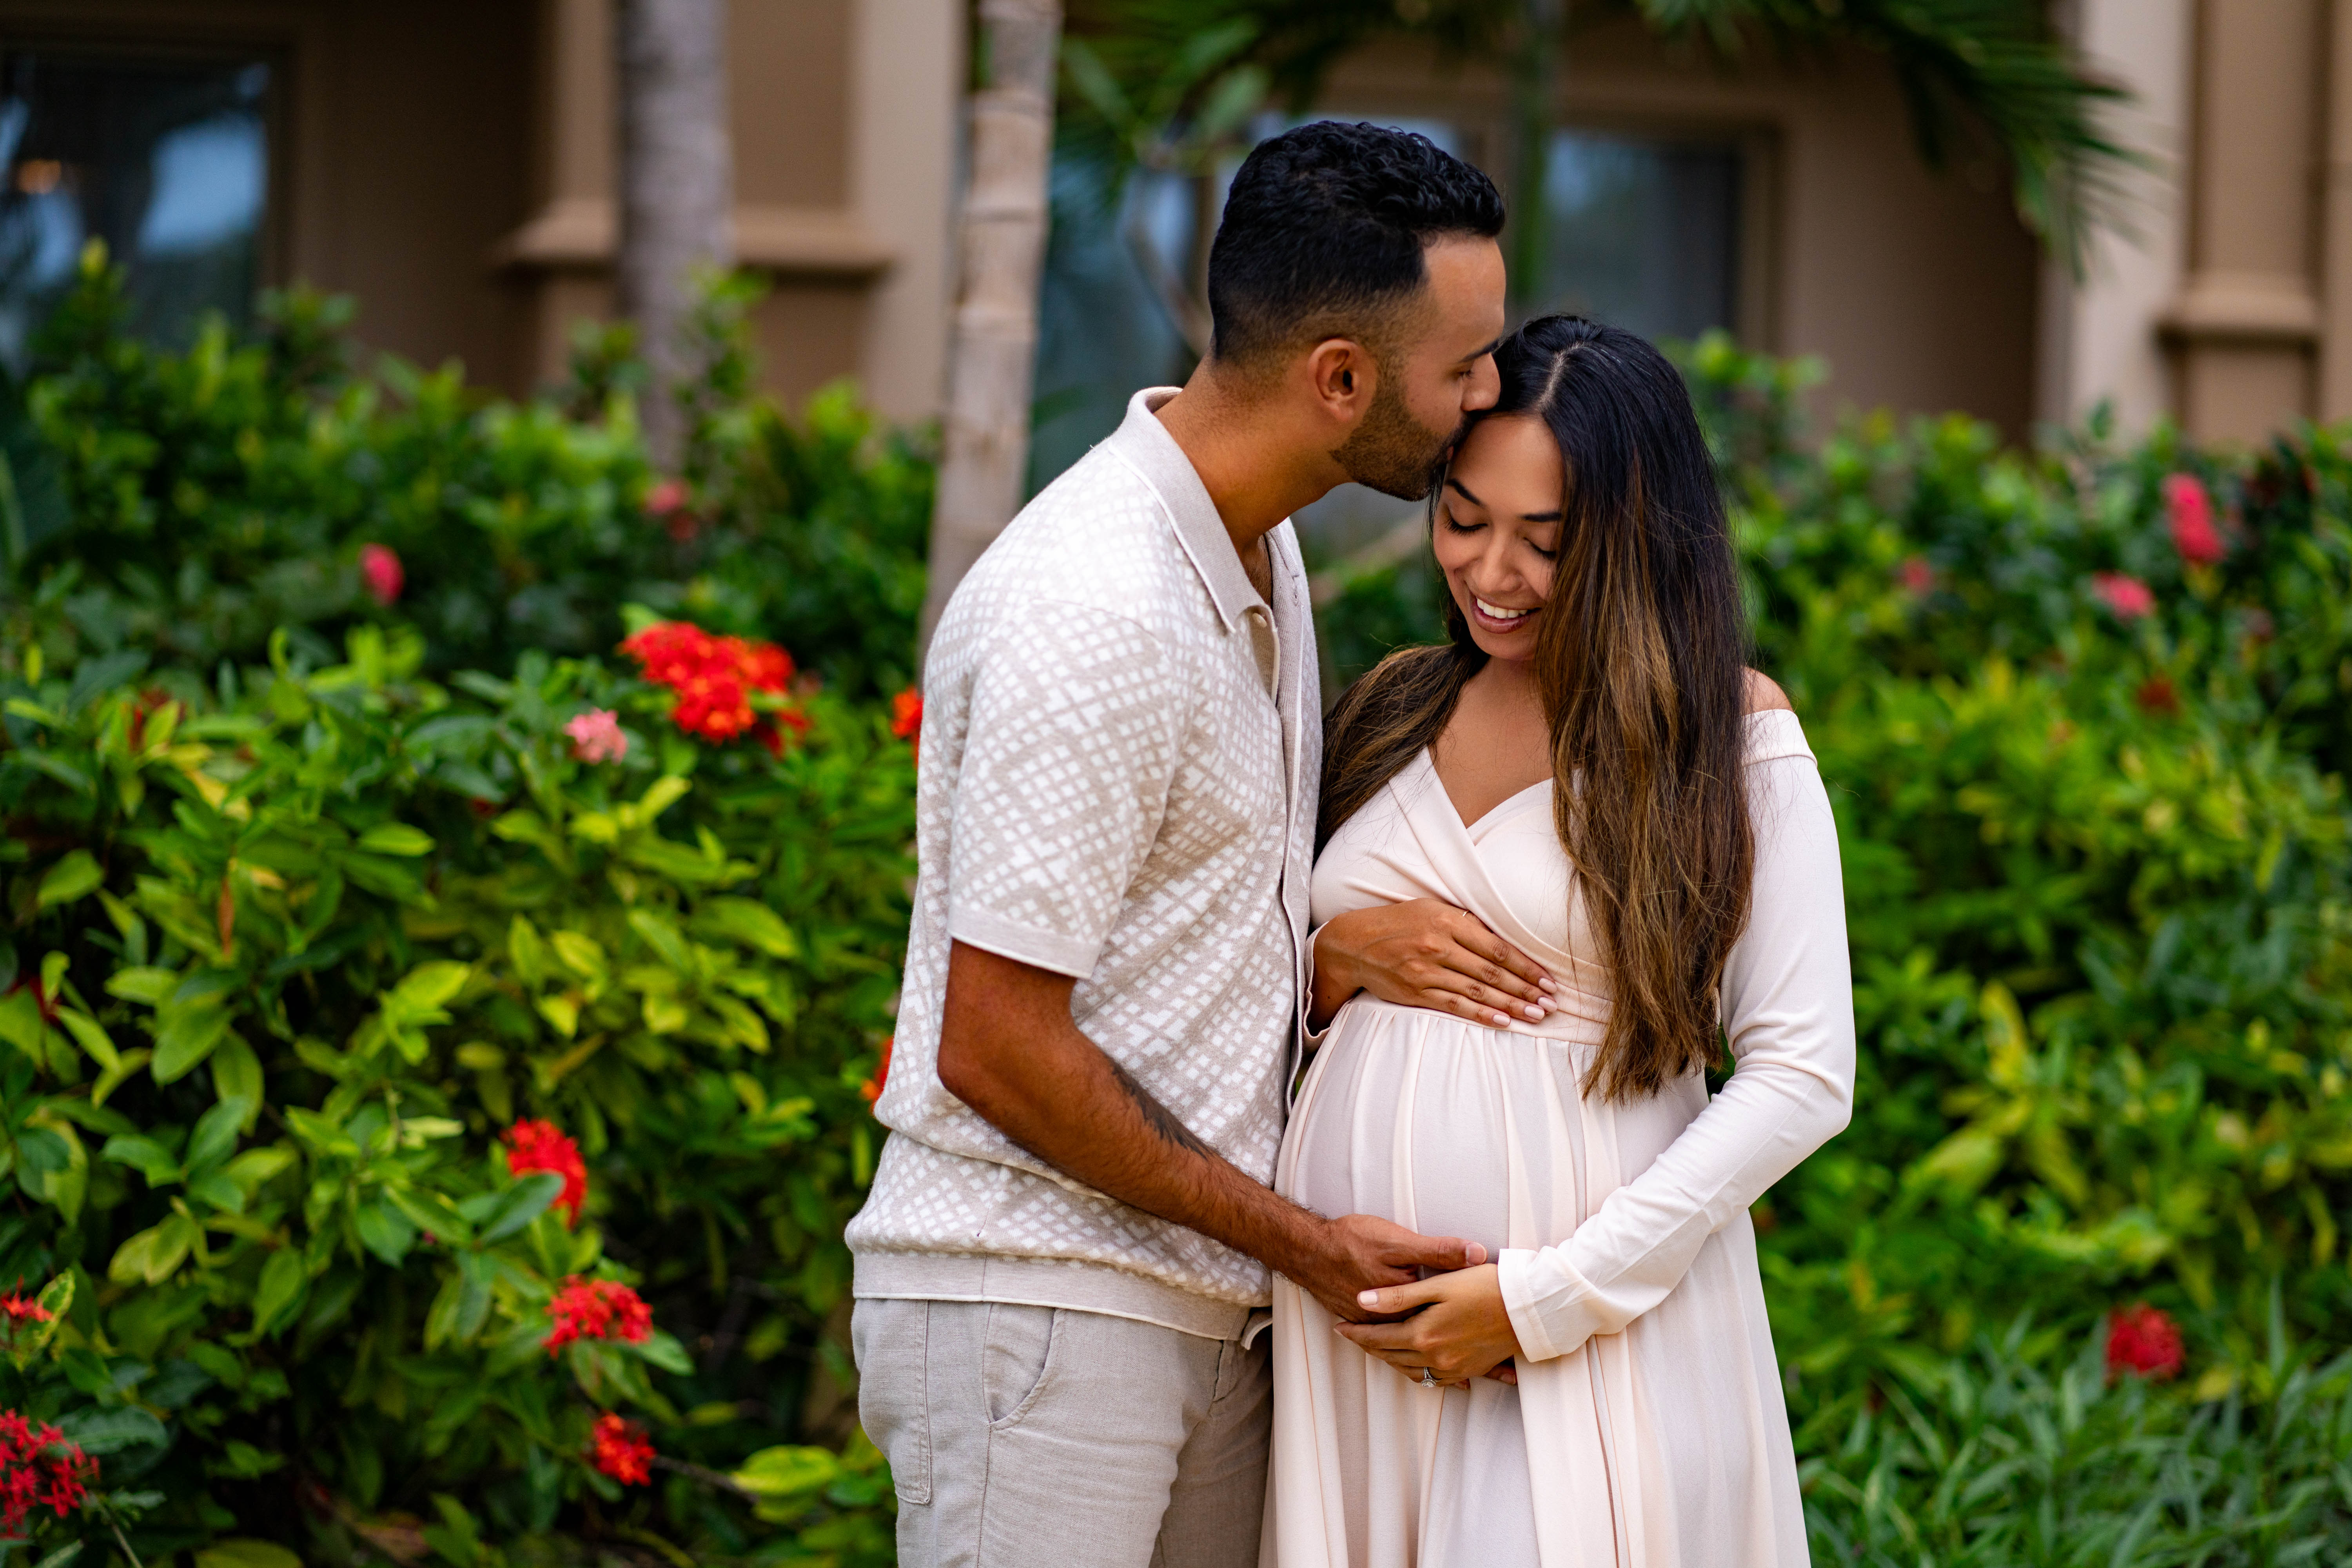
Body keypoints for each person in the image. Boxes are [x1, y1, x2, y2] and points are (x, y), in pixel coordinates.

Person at [845, 121, 1513, 1568]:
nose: (1489, 395)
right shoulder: (1093, 605)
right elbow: (995, 1044)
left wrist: (1325, 963)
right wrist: (1306, 1240)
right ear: (1341, 378)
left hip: (1202, 1309)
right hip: (1038, 1307)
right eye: (1464, 366)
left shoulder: (1259, 546)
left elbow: (1169, 925)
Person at [1266, 315, 1856, 1566]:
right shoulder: (1390, 707)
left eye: (1550, 541)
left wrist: (1540, 1300)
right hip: (1351, 1341)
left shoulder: (1727, 738)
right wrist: (1339, 961)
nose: (1494, 572)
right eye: (1464, 517)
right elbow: (1253, 994)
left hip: (1589, 1327)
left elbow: (1805, 1078)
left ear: (1637, 537)